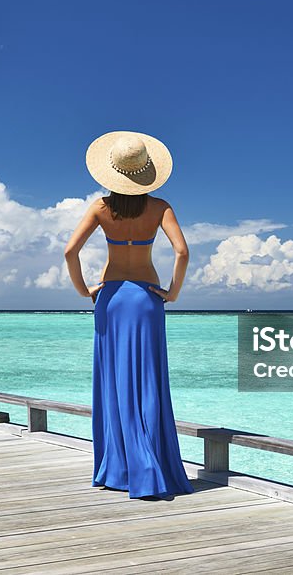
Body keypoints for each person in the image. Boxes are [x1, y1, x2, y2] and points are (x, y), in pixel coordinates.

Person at [63, 130, 195, 500]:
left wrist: (83, 290)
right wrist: (173, 292)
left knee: (115, 381)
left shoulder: (101, 208)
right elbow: (182, 252)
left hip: (111, 299)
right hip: (147, 299)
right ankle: (151, 464)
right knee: (148, 381)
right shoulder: (160, 208)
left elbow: (70, 252)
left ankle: (119, 468)